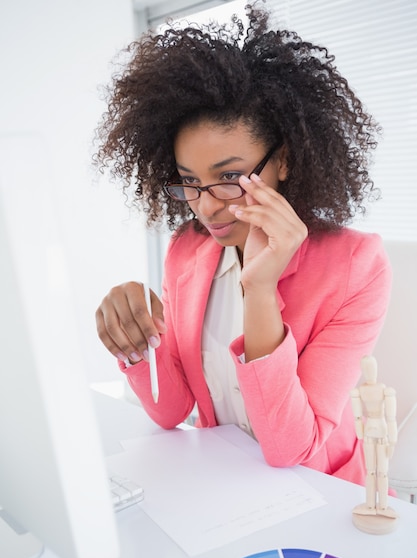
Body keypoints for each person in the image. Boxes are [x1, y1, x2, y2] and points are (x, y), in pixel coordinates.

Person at [94, 4, 392, 486]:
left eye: (229, 177)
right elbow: (172, 412)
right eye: (189, 181)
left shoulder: (356, 266)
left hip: (321, 492)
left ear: (285, 160)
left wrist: (259, 289)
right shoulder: (188, 252)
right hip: (223, 487)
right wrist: (134, 342)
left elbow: (290, 449)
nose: (205, 208)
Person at [350, 356, 397, 529]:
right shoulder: (361, 391)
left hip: (377, 430)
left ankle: (381, 506)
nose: (370, 372)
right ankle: (372, 505)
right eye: (367, 368)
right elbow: (356, 417)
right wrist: (360, 435)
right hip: (373, 430)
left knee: (380, 472)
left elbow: (391, 418)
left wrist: (392, 440)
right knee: (372, 471)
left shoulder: (382, 390)